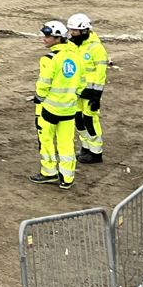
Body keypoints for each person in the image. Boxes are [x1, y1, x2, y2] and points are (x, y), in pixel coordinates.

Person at [32, 20, 84, 189]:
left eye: (48, 36)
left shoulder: (49, 59)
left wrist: (39, 97)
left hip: (50, 109)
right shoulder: (75, 55)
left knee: (46, 140)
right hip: (69, 109)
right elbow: (82, 82)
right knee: (67, 143)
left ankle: (49, 172)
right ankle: (67, 178)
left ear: (57, 38)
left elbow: (44, 84)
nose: (44, 39)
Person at [67, 12, 108, 164]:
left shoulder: (96, 48)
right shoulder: (72, 45)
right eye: (71, 30)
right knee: (79, 120)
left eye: (75, 31)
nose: (72, 33)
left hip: (91, 93)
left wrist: (97, 95)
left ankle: (96, 152)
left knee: (90, 120)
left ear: (84, 31)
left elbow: (100, 72)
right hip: (76, 91)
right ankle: (86, 147)